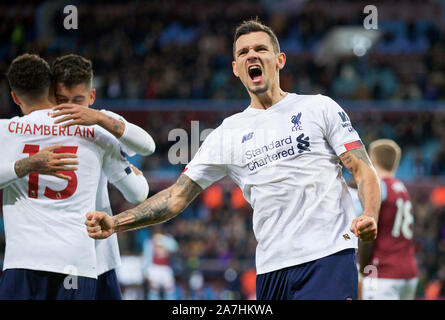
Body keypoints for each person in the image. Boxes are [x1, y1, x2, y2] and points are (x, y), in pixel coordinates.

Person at [85, 19, 381, 300]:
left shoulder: (318, 107)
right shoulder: (226, 134)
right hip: (271, 269)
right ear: (236, 68)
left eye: (261, 49)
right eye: (243, 52)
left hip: (327, 257)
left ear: (279, 60)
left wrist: (369, 213)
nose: (252, 55)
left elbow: (362, 169)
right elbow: (176, 196)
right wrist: (115, 222)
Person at [0, 53, 148, 299]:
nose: (70, 106)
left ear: (14, 97)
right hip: (82, 259)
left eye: (76, 100)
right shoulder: (97, 131)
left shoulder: (7, 131)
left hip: (26, 261)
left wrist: (23, 166)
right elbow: (140, 184)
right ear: (51, 90)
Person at [50, 54, 156, 300]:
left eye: (77, 101)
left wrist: (98, 117)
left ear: (91, 97)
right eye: (62, 100)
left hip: (100, 251)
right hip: (62, 255)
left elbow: (148, 145)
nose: (70, 109)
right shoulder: (41, 126)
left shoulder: (99, 125)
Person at [359, 139, 418, 300]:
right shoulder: (402, 188)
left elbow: (366, 231)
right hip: (409, 272)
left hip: (383, 272)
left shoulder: (378, 187)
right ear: (396, 164)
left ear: (372, 160)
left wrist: (361, 268)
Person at [142, 227, 178, 300]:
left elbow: (175, 247)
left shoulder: (167, 240)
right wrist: (146, 272)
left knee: (170, 290)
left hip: (166, 267)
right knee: (154, 290)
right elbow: (146, 257)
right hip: (154, 267)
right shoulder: (149, 242)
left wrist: (164, 240)